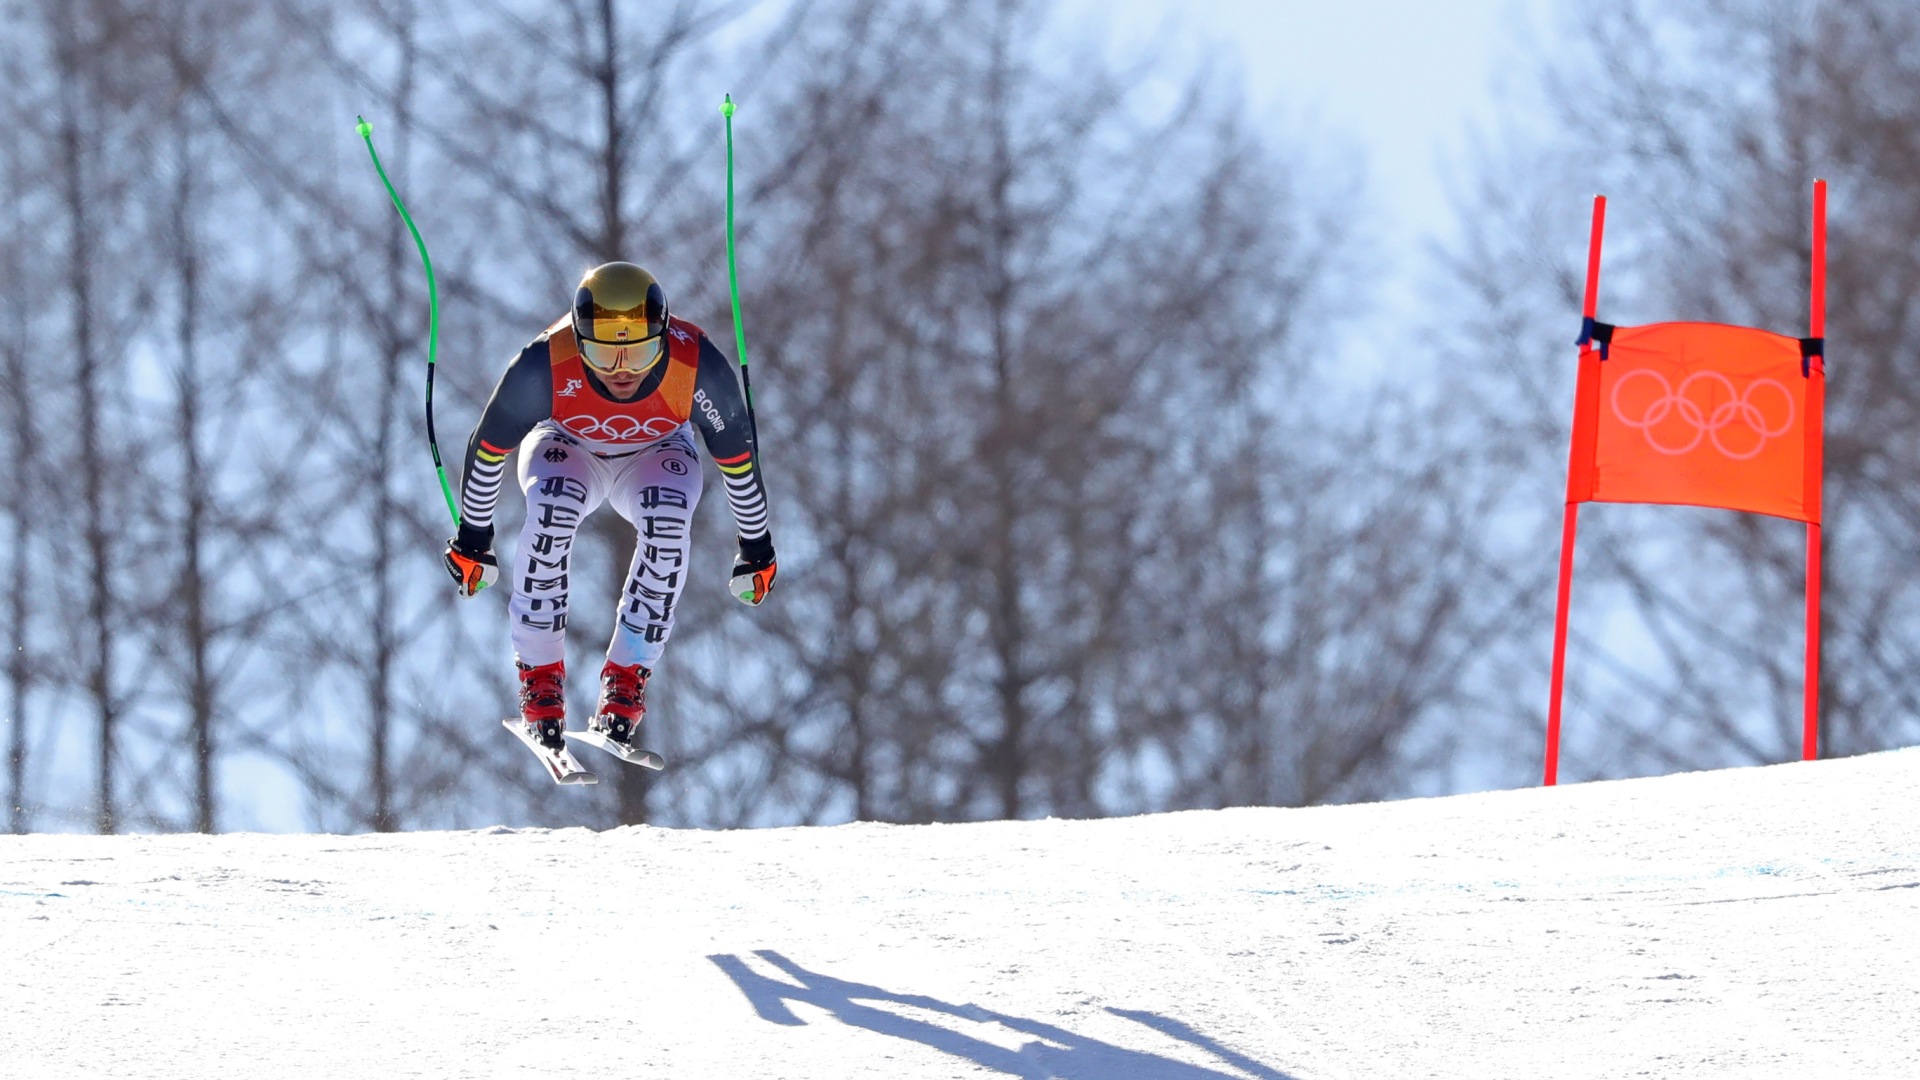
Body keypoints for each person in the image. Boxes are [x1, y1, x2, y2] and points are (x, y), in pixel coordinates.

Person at [442, 262, 775, 756]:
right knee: (553, 510)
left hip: (657, 449)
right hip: (567, 446)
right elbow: (487, 450)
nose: (622, 369)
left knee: (668, 524)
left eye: (639, 351)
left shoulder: (696, 364)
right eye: (602, 351)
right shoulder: (543, 363)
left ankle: (626, 680)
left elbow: (740, 463)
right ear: (578, 339)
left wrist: (756, 547)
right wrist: (474, 538)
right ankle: (540, 677)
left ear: (662, 335)